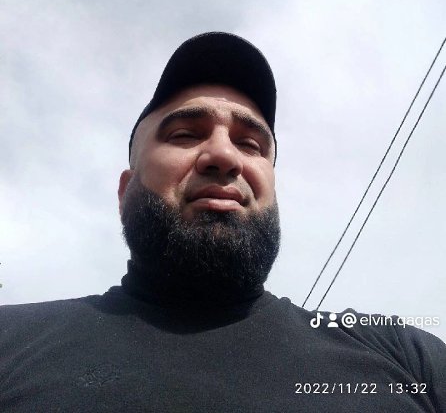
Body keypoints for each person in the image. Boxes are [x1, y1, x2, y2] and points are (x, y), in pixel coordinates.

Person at [0, 32, 445, 413]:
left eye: (251, 144)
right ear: (125, 191)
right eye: (185, 134)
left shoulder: (410, 359)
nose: (224, 155)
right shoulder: (11, 343)